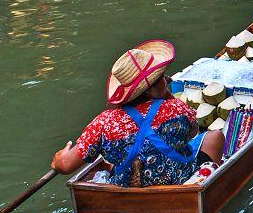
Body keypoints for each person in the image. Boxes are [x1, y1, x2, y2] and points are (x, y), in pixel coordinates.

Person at [50, 40, 225, 187]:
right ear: (150, 89)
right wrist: (166, 96)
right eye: (162, 78)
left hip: (128, 189)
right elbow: (193, 131)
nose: (167, 79)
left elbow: (64, 165)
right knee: (214, 137)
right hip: (177, 183)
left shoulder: (103, 122)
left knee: (114, 158)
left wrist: (60, 157)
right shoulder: (176, 108)